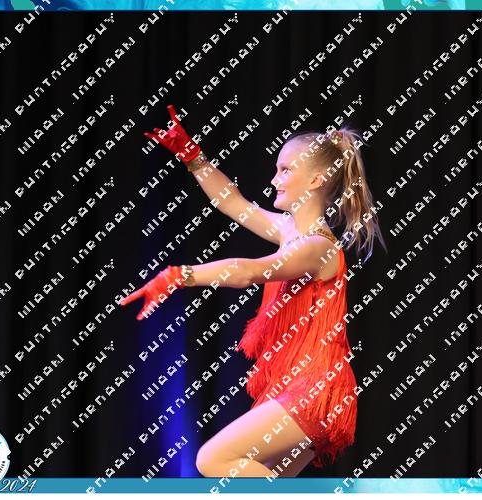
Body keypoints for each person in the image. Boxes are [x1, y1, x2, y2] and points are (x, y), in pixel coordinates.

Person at [120, 105, 387, 478]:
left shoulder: (318, 247)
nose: (275, 179)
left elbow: (249, 272)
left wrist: (180, 275)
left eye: (286, 170)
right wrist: (194, 159)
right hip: (298, 386)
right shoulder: (289, 231)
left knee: (211, 459)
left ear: (316, 179)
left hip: (314, 388)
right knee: (266, 485)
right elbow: (233, 203)